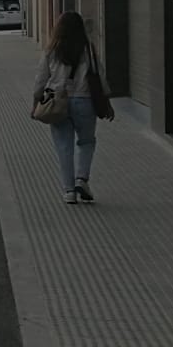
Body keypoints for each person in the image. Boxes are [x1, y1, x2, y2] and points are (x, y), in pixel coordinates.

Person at [33, 11, 100, 204]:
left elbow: (40, 80)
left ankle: (69, 191)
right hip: (84, 100)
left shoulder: (52, 50)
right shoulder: (88, 49)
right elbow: (100, 76)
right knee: (87, 141)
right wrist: (106, 101)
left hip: (58, 102)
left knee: (64, 146)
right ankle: (82, 179)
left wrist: (35, 103)